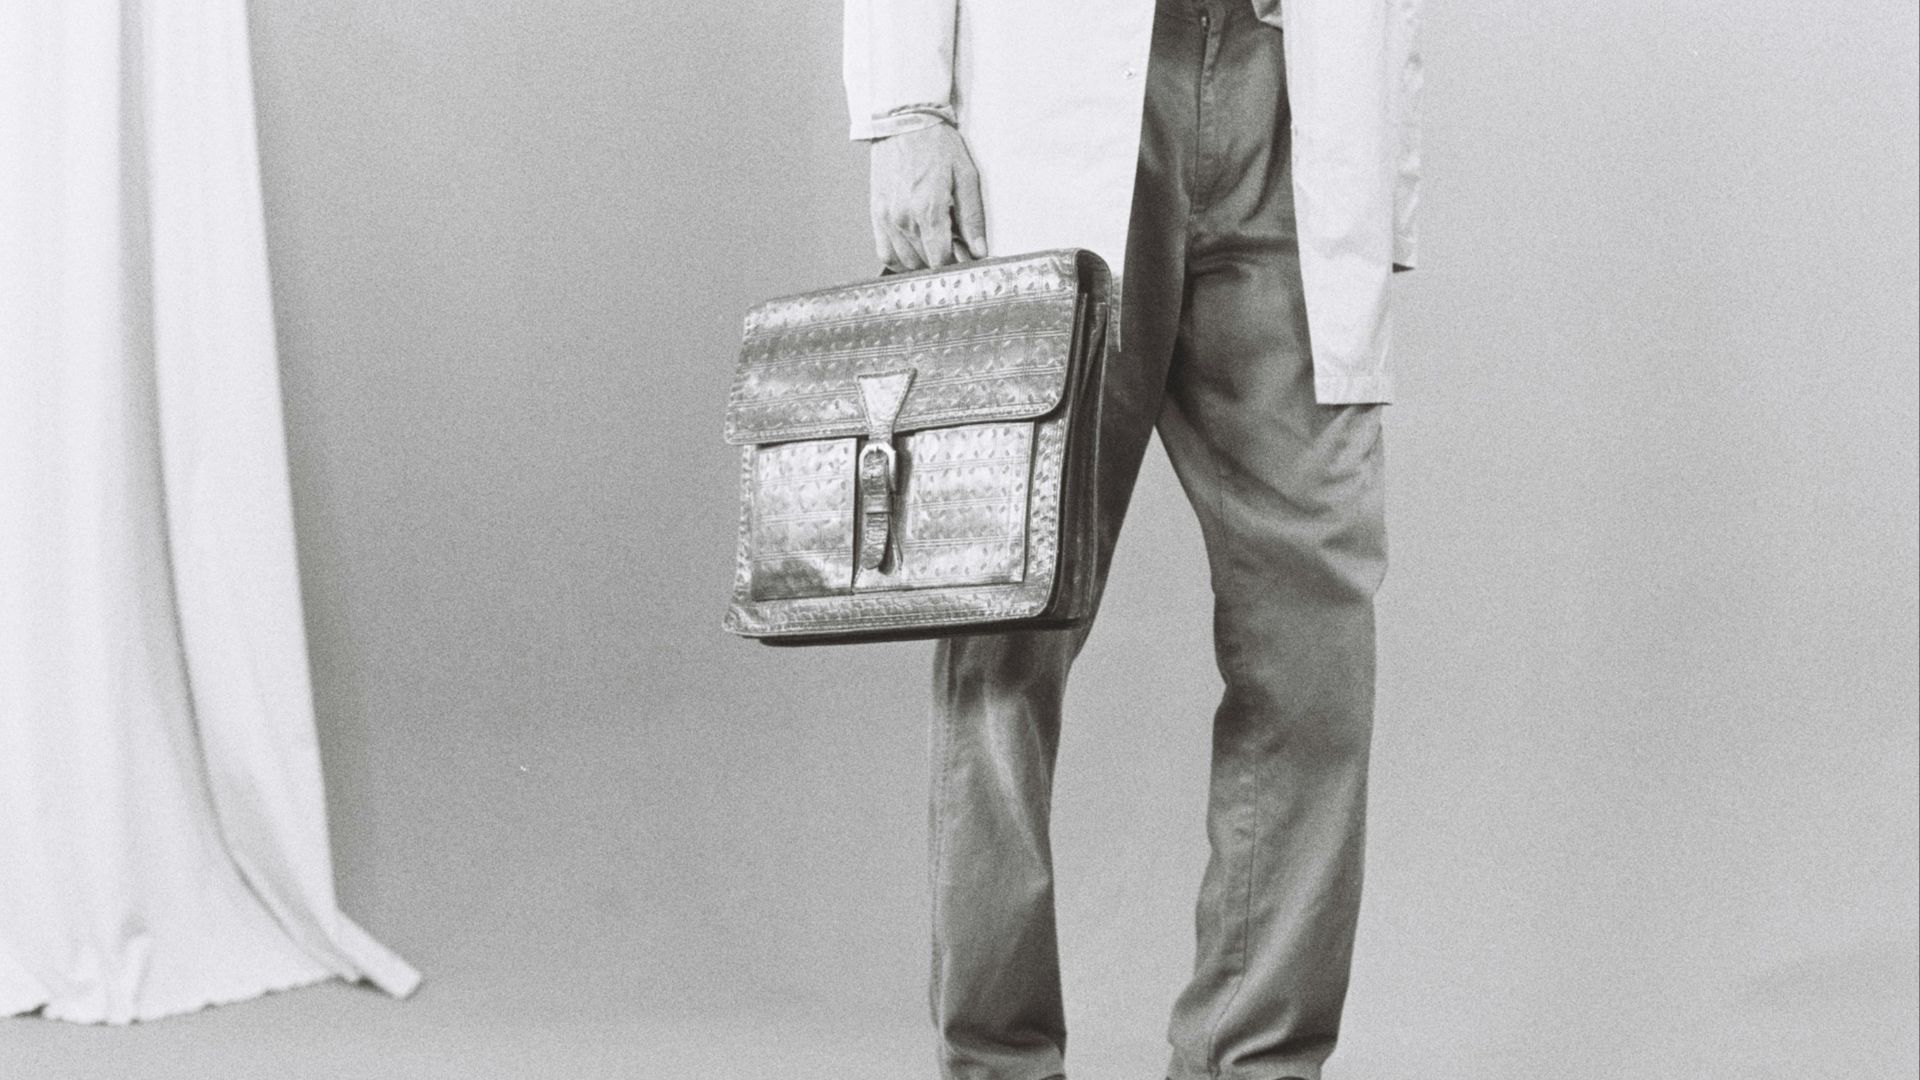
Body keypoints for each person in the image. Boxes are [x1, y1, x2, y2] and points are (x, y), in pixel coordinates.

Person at [843, 1, 1422, 1077]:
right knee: (1005, 627)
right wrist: (907, 109)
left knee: (1316, 637)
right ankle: (998, 1062)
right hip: (1062, 86)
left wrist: (1384, 173)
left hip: (1294, 96)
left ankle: (1255, 1063)